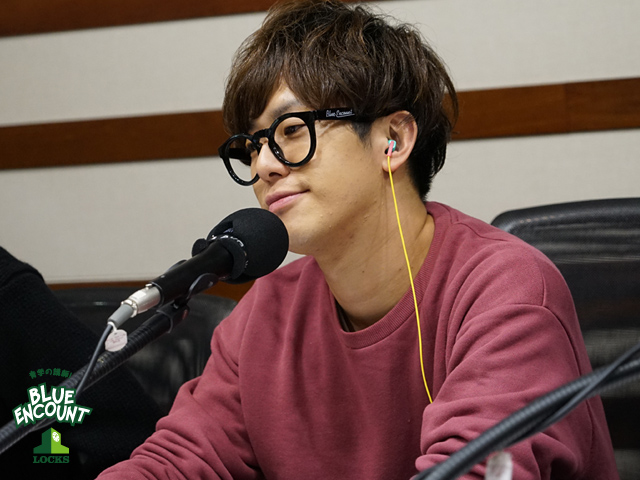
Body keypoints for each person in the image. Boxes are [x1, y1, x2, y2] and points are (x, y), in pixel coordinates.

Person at [98, 1, 618, 478]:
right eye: (252, 145)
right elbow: (177, 461)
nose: (264, 165)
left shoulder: (507, 291)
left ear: (393, 139)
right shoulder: (264, 313)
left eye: (291, 130)